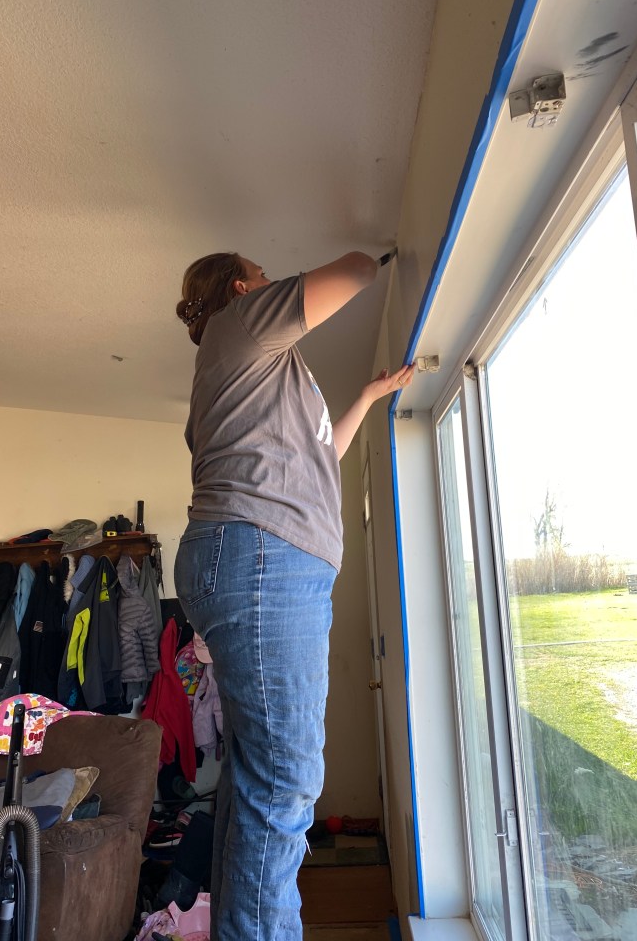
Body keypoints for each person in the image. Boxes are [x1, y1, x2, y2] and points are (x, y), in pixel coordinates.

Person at [173, 250, 413, 941]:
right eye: (263, 273)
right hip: (262, 562)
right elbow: (357, 270)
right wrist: (372, 250)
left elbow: (316, 461)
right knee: (284, 782)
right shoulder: (241, 325)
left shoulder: (250, 373)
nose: (272, 281)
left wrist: (366, 397)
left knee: (258, 776)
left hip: (255, 560)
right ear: (243, 288)